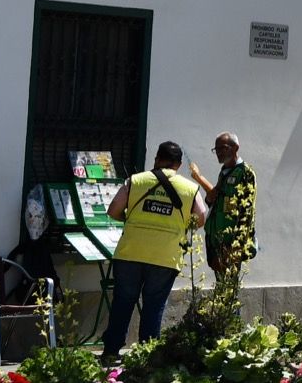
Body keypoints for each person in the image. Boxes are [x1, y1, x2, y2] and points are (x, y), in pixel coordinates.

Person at [102, 142, 207, 361]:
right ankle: (147, 355)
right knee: (154, 305)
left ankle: (111, 351)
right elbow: (201, 217)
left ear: (157, 159)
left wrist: (130, 219)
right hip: (165, 256)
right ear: (178, 165)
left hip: (130, 252)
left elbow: (113, 210)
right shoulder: (189, 188)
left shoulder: (136, 181)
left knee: (123, 301)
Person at [189, 133, 257, 276]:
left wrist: (237, 245)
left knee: (228, 287)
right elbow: (217, 199)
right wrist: (198, 178)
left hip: (231, 242)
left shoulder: (245, 173)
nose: (218, 152)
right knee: (221, 284)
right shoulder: (225, 171)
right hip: (216, 239)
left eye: (223, 148)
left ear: (235, 148)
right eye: (216, 149)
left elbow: (247, 211)